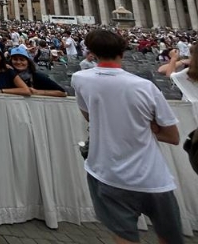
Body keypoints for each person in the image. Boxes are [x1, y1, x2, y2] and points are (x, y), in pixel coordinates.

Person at [71, 29, 183, 244]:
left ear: (91, 52)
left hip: (107, 172)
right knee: (170, 237)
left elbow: (90, 117)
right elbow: (173, 136)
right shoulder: (145, 87)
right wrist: (146, 126)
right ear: (123, 51)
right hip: (152, 176)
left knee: (124, 237)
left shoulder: (80, 79)